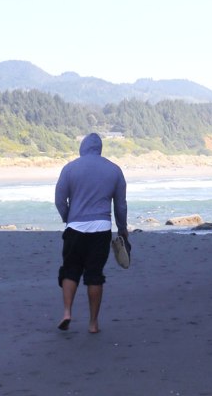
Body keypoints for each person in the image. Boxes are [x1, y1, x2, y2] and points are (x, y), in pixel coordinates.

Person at [54, 132, 130, 333]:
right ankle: (93, 323)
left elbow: (59, 199)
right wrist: (122, 229)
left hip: (75, 229)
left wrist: (67, 217)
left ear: (83, 147)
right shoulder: (114, 170)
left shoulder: (70, 168)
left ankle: (67, 313)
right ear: (100, 149)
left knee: (70, 270)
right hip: (101, 229)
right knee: (94, 275)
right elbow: (120, 206)